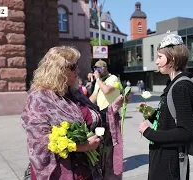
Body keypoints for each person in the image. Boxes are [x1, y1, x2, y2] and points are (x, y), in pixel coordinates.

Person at [21, 46, 128, 180]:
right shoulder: (39, 98)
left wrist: (114, 107)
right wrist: (82, 146)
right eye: (73, 67)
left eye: (77, 65)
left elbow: (95, 117)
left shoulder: (74, 92)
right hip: (61, 173)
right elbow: (40, 142)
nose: (78, 70)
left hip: (88, 171)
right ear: (58, 70)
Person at [138, 32, 193, 180]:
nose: (156, 62)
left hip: (170, 163)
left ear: (172, 59)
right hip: (164, 158)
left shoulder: (181, 87)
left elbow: (186, 132)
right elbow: (170, 121)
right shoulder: (173, 84)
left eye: (160, 57)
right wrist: (152, 114)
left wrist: (149, 133)